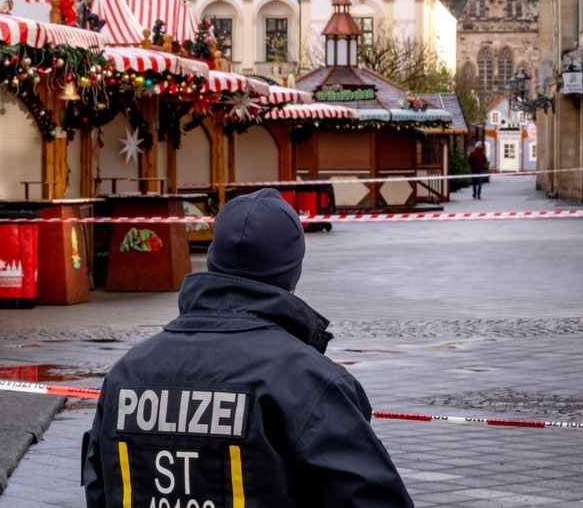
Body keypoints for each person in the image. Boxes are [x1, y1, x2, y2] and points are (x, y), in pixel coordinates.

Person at [82, 188, 413, 507]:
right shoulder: (308, 383)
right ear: (291, 275)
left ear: (214, 259)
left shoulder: (127, 373)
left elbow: (101, 489)